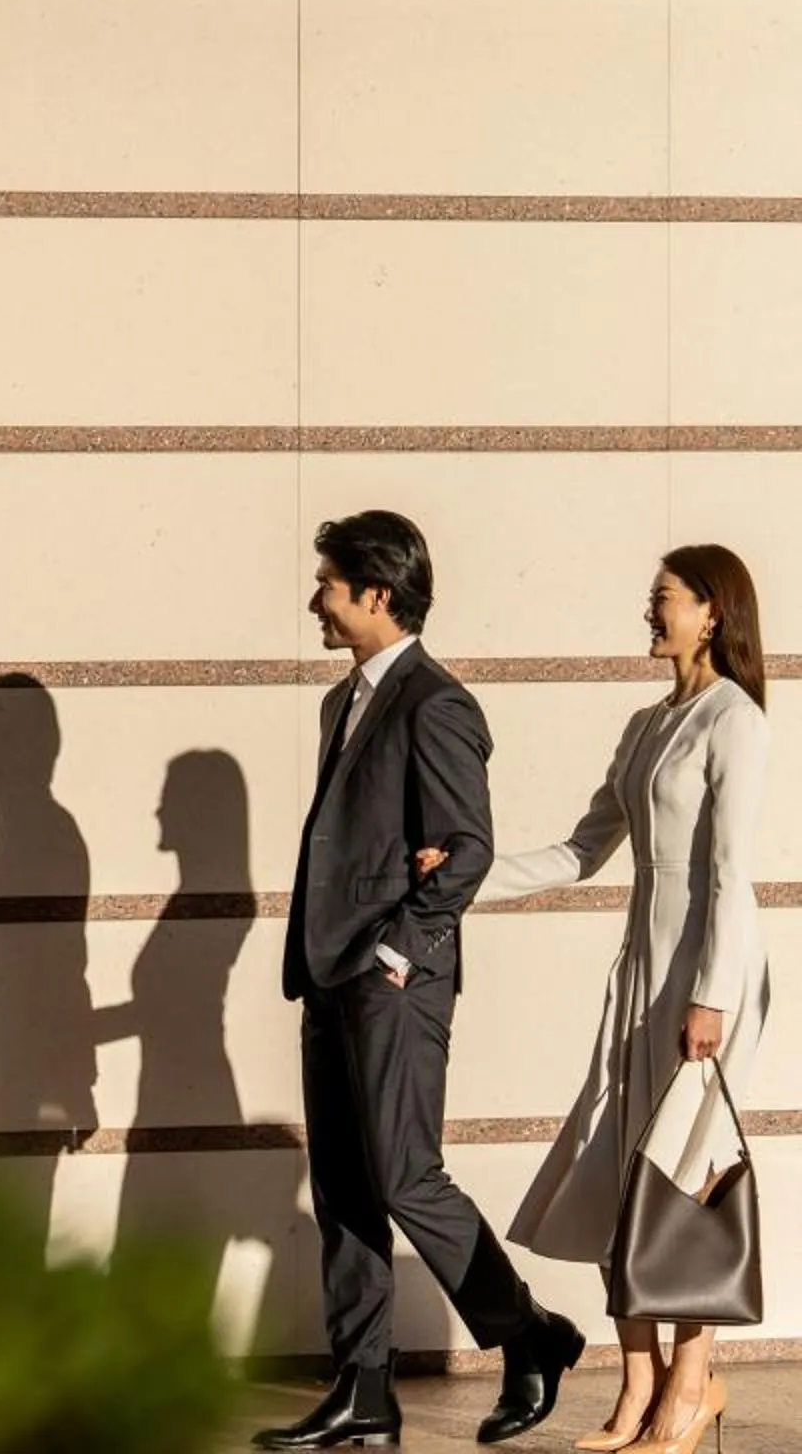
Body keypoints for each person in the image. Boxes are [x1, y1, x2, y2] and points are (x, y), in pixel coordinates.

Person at [423, 546, 770, 1454]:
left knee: (686, 1181)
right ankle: (639, 1385)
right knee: (623, 1169)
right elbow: (582, 852)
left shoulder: (735, 721)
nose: (649, 612)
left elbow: (734, 877)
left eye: (664, 599)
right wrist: (463, 878)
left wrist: (714, 996)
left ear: (712, 612)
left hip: (706, 977)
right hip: (639, 974)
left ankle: (694, 1384)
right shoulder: (648, 723)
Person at [258, 511, 583, 1451]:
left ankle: (528, 1332)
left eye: (327, 582)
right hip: (328, 973)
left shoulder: (436, 703)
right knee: (346, 1191)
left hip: (393, 977)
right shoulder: (344, 701)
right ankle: (363, 1389)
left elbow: (467, 850)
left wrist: (398, 946)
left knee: (405, 1177)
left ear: (377, 594)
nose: (314, 598)